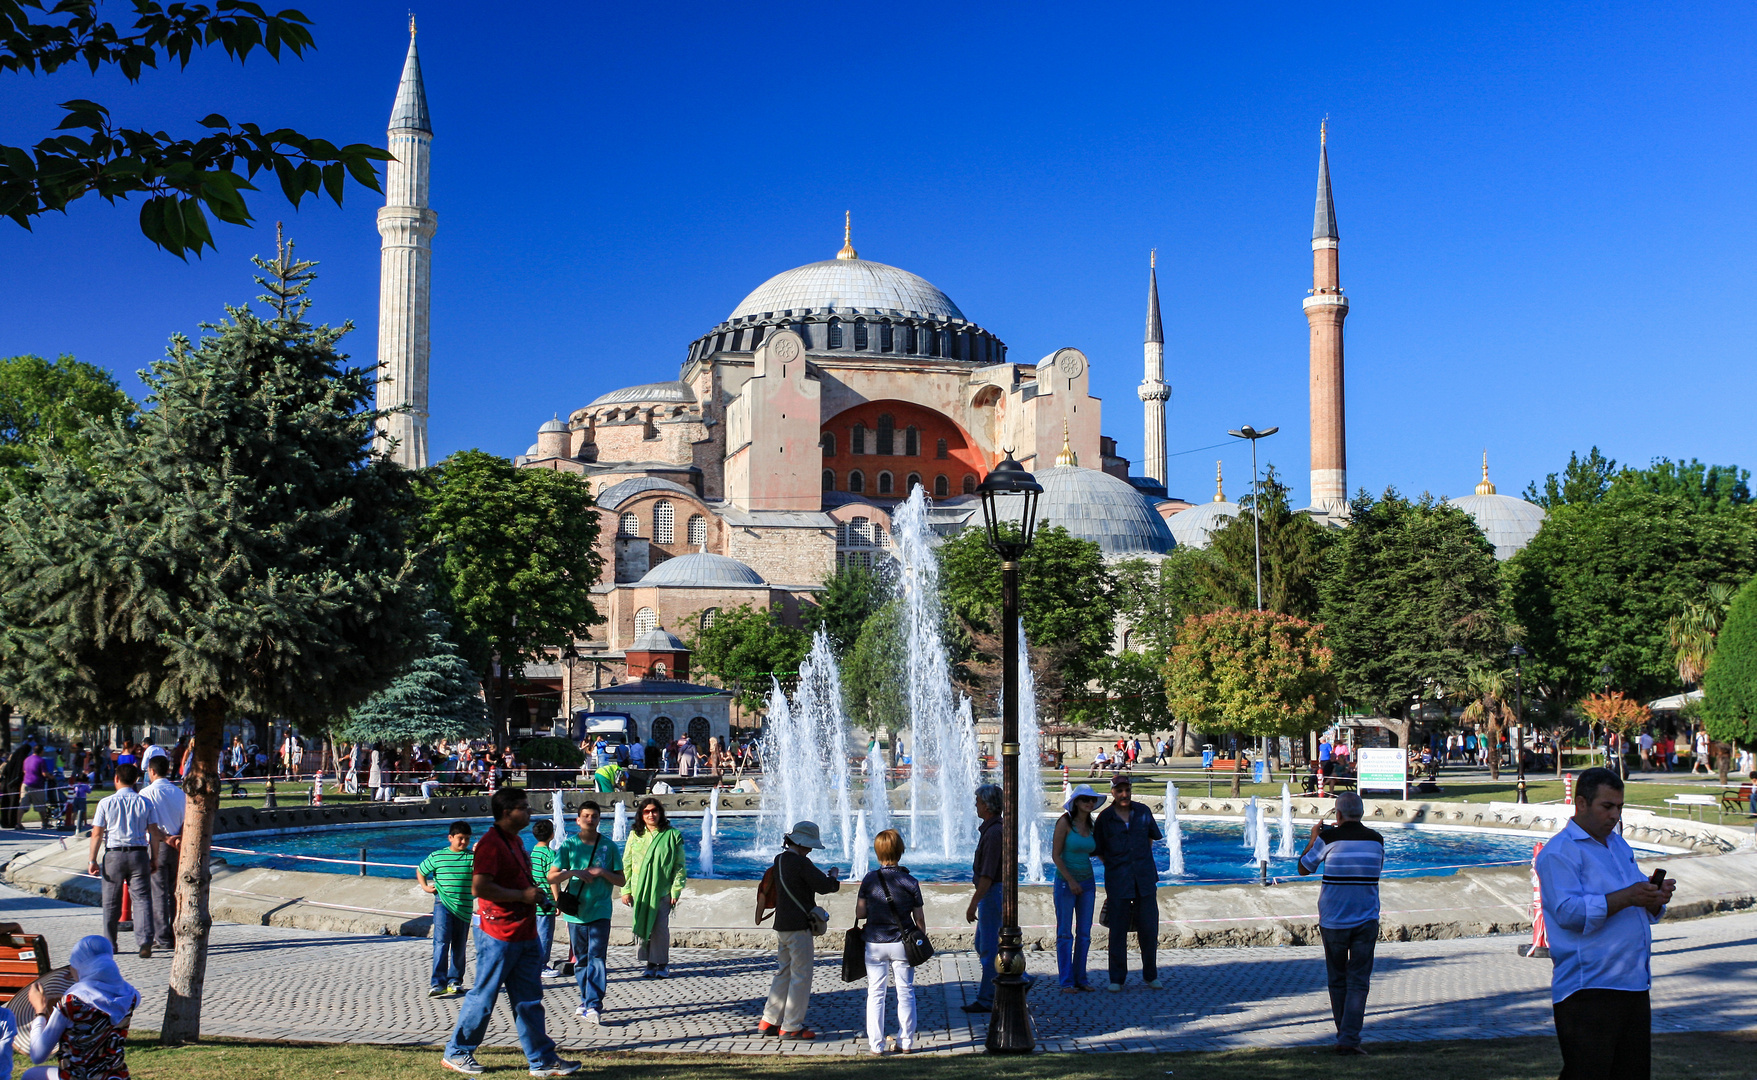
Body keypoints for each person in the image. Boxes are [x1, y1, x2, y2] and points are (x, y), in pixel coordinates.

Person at [1537, 767, 1675, 1079]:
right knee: (1588, 1073)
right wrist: (1629, 896)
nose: (1615, 815)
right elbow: (1568, 913)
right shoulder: (1560, 852)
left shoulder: (1618, 845)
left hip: (1633, 983)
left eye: (1620, 807)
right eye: (1607, 806)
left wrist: (1654, 897)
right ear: (1581, 803)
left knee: (1633, 1073)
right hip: (1589, 988)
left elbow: (1635, 896)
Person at [440, 787, 578, 1077]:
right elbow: (480, 887)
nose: (529, 812)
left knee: (529, 999)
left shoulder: (514, 841)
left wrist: (534, 895)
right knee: (484, 995)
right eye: (523, 808)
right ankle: (457, 1052)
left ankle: (542, 1060)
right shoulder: (491, 844)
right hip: (498, 933)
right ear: (507, 812)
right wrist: (522, 896)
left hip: (525, 933)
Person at [1296, 791, 1384, 1056]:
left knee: (1337, 979)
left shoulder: (1327, 838)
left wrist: (1314, 838)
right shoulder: (1376, 839)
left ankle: (1344, 1035)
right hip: (1367, 917)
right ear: (1362, 813)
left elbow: (1303, 868)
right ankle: (1349, 1038)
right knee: (1359, 981)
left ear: (1338, 814)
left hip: (1334, 920)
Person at [754, 820, 841, 1040]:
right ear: (802, 843)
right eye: (809, 845)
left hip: (782, 925)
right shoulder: (802, 863)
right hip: (799, 926)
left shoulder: (780, 859)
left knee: (783, 972)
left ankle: (769, 1020)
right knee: (801, 975)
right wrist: (834, 876)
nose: (811, 849)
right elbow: (825, 886)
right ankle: (791, 1025)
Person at [21, 934, 137, 1080]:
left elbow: (38, 1055)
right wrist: (82, 976)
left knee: (31, 1075)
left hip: (79, 1077)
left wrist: (40, 1011)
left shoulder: (71, 1004)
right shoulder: (131, 995)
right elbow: (101, 993)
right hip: (116, 1077)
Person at [548, 801, 624, 1024]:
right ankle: (585, 998)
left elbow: (621, 879)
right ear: (578, 820)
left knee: (597, 958)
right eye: (586, 816)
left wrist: (602, 871)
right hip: (576, 912)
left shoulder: (609, 847)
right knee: (581, 959)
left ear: (599, 819)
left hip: (600, 909)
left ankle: (593, 1004)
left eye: (594, 816)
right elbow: (551, 876)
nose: (590, 820)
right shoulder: (569, 845)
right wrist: (573, 873)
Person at [855, 827, 922, 1055]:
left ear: (877, 852)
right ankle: (906, 1042)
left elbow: (860, 913)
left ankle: (876, 1045)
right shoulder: (910, 881)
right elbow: (919, 918)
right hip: (902, 943)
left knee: (876, 993)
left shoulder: (869, 880)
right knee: (906, 991)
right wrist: (920, 941)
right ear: (900, 851)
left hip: (875, 942)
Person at [1093, 773, 1162, 991]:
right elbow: (1099, 850)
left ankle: (1150, 975)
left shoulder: (1143, 812)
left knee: (1149, 929)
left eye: (1127, 790)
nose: (1124, 794)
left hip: (1145, 878)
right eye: (1120, 791)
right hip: (1118, 880)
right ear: (1112, 792)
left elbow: (1150, 838)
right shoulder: (1105, 818)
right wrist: (1115, 865)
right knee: (1117, 930)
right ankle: (1116, 978)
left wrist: (1139, 860)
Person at [87, 764, 164, 957]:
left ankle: (110, 945)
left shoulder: (105, 803)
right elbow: (154, 833)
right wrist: (154, 857)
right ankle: (145, 940)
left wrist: (92, 860)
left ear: (116, 779)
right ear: (136, 780)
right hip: (138, 853)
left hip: (114, 853)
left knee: (111, 902)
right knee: (142, 899)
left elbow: (97, 834)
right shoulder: (145, 803)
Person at [621, 796, 686, 979]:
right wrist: (625, 889)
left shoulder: (672, 835)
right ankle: (650, 962)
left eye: (654, 811)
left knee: (660, 928)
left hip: (662, 889)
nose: (651, 815)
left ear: (660, 813)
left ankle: (663, 963)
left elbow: (679, 865)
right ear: (641, 815)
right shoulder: (636, 835)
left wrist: (676, 889)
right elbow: (626, 862)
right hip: (639, 890)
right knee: (645, 925)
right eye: (647, 811)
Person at [1052, 784, 1102, 992]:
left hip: (1088, 882)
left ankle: (1081, 977)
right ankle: (1066, 980)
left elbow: (1095, 851)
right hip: (1065, 883)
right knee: (1065, 933)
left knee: (1084, 933)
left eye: (1091, 800)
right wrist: (1071, 880)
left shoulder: (1092, 825)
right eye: (1085, 800)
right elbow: (1055, 855)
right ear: (1075, 803)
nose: (1089, 803)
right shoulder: (1065, 822)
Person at [418, 821, 475, 998]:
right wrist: (425, 887)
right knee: (441, 942)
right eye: (460, 839)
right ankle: (437, 983)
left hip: (464, 907)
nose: (463, 842)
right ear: (450, 838)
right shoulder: (437, 856)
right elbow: (421, 870)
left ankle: (455, 980)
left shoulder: (473, 857)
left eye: (466, 839)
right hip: (443, 904)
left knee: (459, 945)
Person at [962, 783, 1005, 1012]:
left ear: (987, 805)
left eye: (978, 801)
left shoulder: (994, 833)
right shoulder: (990, 829)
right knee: (982, 944)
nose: (975, 805)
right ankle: (1021, 977)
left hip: (992, 893)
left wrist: (973, 904)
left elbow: (987, 874)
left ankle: (987, 999)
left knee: (988, 949)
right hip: (992, 892)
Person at [138, 756, 186, 954]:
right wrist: (178, 837)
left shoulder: (146, 793)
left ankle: (163, 936)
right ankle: (177, 933)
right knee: (175, 892)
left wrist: (165, 838)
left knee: (158, 892)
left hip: (158, 844)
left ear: (151, 771)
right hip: (179, 844)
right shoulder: (180, 793)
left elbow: (147, 824)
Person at [529, 820, 560, 978]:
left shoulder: (533, 852)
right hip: (546, 901)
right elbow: (552, 879)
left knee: (536, 933)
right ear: (552, 835)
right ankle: (541, 965)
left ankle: (534, 963)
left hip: (534, 900)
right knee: (545, 934)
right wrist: (557, 899)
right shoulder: (550, 854)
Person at [19, 744, 51, 831]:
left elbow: (24, 771)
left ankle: (18, 823)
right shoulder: (41, 760)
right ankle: (44, 823)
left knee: (23, 805)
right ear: (41, 751)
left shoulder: (27, 759)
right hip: (36, 785)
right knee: (41, 805)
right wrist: (51, 777)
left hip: (25, 784)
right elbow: (44, 773)